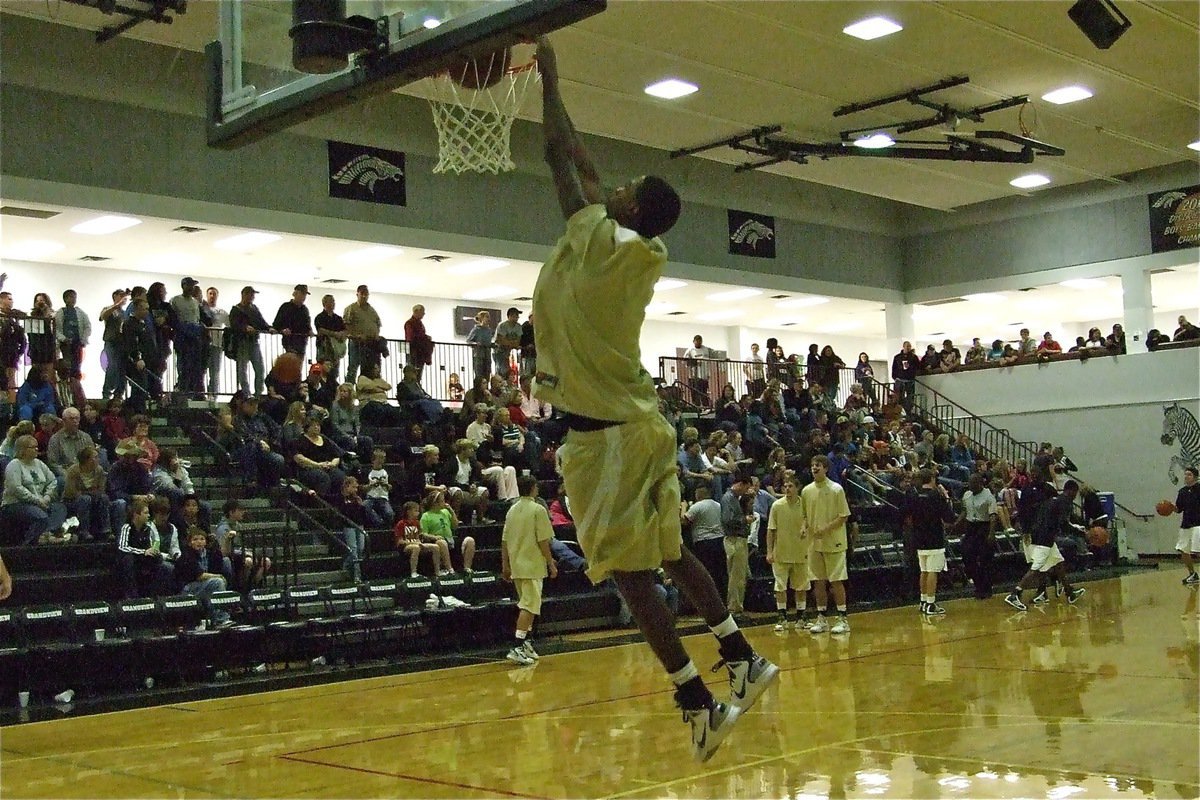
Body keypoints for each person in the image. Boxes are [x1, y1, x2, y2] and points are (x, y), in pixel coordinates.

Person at [529, 37, 776, 763]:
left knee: (631, 577)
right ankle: (742, 657)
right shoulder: (640, 245)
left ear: (629, 205)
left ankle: (697, 704)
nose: (613, 186)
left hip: (603, 437)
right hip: (643, 425)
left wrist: (547, 82)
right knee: (670, 553)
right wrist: (558, 83)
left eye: (625, 186)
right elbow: (586, 168)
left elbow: (559, 162)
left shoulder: (596, 239)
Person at [501, 475, 558, 666]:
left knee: (529, 605)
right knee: (529, 606)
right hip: (532, 565)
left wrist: (505, 565)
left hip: (517, 565)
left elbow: (504, 541)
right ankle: (517, 645)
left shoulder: (512, 510)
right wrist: (551, 562)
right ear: (534, 488)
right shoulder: (538, 509)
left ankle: (525, 642)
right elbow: (543, 540)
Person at [1004, 480, 1087, 611]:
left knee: (1059, 563)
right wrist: (1080, 532)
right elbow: (1064, 524)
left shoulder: (1053, 500)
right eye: (1075, 493)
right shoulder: (1065, 502)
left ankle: (1069, 592)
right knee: (1036, 568)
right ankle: (1015, 594)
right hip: (1045, 539)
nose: (1075, 496)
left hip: (1038, 534)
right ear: (1071, 491)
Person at [801, 455, 852, 634]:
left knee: (836, 580)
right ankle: (822, 617)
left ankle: (842, 618)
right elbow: (805, 516)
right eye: (813, 465)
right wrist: (803, 527)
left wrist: (826, 528)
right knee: (818, 582)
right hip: (814, 544)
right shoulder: (806, 491)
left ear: (826, 468)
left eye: (818, 465)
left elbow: (844, 516)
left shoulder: (836, 489)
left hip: (835, 542)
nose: (815, 468)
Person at [905, 469, 955, 615]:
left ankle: (923, 600)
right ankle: (931, 603)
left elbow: (907, 514)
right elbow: (949, 517)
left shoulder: (915, 495)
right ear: (932, 478)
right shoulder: (936, 496)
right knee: (933, 571)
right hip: (934, 537)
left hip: (919, 537)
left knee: (924, 570)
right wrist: (946, 497)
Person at [766, 475, 811, 631]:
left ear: (797, 488)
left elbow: (810, 523)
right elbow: (771, 530)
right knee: (780, 587)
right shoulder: (777, 506)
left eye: (790, 486)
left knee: (801, 587)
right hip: (781, 553)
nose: (787, 489)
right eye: (785, 486)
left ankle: (801, 617)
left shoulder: (805, 506)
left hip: (801, 552)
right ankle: (782, 617)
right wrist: (769, 551)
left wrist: (806, 529)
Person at [174, 528, 232, 627]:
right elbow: (199, 576)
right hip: (187, 589)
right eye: (195, 539)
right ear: (189, 542)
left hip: (205, 586)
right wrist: (219, 576)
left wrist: (226, 541)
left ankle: (215, 620)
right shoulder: (186, 555)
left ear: (205, 541)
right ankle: (220, 619)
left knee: (216, 586)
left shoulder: (210, 554)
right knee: (217, 582)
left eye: (202, 539)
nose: (199, 542)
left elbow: (224, 555)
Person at [117, 498, 174, 599]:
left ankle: (159, 596)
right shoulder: (127, 527)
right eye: (146, 513)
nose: (148, 515)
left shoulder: (147, 528)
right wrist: (143, 552)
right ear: (136, 514)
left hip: (143, 559)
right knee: (127, 560)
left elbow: (149, 546)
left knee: (166, 566)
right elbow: (123, 547)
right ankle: (131, 597)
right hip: (131, 559)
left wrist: (154, 552)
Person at [958, 473, 998, 599]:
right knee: (967, 556)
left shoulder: (989, 497)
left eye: (973, 484)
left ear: (980, 484)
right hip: (971, 527)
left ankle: (986, 588)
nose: (970, 486)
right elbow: (965, 511)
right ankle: (978, 584)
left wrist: (991, 534)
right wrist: (956, 522)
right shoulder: (967, 495)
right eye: (969, 483)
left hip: (984, 527)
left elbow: (993, 517)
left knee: (985, 560)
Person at [228, 286, 273, 396]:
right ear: (244, 295)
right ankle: (246, 393)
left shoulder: (254, 309)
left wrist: (269, 328)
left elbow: (261, 322)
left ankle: (258, 393)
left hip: (254, 341)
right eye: (251, 295)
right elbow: (234, 324)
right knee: (242, 369)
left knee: (260, 369)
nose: (252, 297)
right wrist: (245, 328)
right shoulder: (236, 309)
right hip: (242, 342)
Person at [394, 500, 448, 578]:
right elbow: (400, 541)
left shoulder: (417, 523)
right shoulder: (401, 524)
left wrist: (433, 538)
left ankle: (437, 571)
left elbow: (420, 536)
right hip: (406, 547)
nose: (418, 513)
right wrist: (414, 543)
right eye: (416, 511)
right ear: (408, 512)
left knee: (435, 547)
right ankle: (414, 573)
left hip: (418, 544)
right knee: (416, 548)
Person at [343, 285, 382, 385]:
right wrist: (356, 335)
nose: (364, 296)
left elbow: (377, 323)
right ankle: (349, 390)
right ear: (357, 294)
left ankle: (365, 391)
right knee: (353, 368)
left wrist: (376, 334)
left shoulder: (372, 310)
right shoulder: (351, 308)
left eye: (366, 294)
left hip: (370, 343)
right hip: (356, 343)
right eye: (362, 294)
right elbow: (346, 325)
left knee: (368, 369)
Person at [53, 289, 92, 379]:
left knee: (77, 365)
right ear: (65, 299)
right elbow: (57, 329)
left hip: (77, 343)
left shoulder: (81, 313)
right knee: (67, 365)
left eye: (74, 297)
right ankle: (67, 383)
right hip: (65, 344)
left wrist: (84, 339)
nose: (73, 299)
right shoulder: (60, 312)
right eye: (70, 297)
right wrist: (64, 339)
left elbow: (87, 326)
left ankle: (76, 384)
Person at [1171, 466, 1200, 585]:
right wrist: (1171, 508)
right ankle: (1192, 574)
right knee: (1183, 550)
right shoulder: (1182, 492)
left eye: (1189, 475)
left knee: (1197, 551)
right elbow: (1179, 509)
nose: (1186, 477)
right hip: (1186, 524)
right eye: (1185, 474)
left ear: (1195, 477)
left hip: (1198, 524)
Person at [202, 286, 229, 398]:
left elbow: (229, 326)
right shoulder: (201, 309)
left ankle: (213, 395)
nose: (212, 296)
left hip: (217, 344)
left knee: (215, 372)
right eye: (210, 293)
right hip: (204, 344)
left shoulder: (222, 312)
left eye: (214, 294)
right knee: (202, 371)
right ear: (207, 295)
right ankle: (201, 394)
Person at [314, 294, 348, 382]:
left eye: (333, 301)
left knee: (334, 372)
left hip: (335, 350)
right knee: (322, 370)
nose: (332, 304)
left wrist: (341, 334)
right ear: (324, 303)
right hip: (324, 347)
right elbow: (321, 330)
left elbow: (345, 330)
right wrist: (335, 334)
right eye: (330, 301)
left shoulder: (338, 318)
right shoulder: (319, 317)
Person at [403, 304, 434, 383]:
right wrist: (425, 338)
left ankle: (417, 386)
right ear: (416, 311)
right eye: (422, 312)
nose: (424, 314)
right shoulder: (410, 323)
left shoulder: (418, 323)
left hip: (419, 352)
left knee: (418, 373)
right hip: (415, 351)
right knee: (414, 371)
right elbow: (411, 337)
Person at [466, 310, 495, 382]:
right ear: (481, 318)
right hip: (479, 356)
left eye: (489, 317)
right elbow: (468, 341)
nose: (489, 319)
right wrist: (476, 344)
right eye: (487, 317)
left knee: (487, 375)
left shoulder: (489, 330)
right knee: (479, 376)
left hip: (487, 355)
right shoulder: (476, 329)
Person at [495, 307, 523, 378]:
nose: (516, 318)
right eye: (514, 316)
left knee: (507, 370)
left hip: (508, 351)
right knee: (502, 370)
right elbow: (501, 340)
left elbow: (518, 341)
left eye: (517, 316)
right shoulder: (502, 326)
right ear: (509, 316)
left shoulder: (518, 326)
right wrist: (512, 343)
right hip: (499, 351)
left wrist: (509, 343)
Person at [891, 341, 917, 411]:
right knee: (899, 397)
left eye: (909, 346)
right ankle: (900, 410)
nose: (908, 348)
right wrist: (895, 377)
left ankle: (908, 410)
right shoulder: (897, 357)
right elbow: (894, 368)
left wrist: (911, 368)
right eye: (907, 346)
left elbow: (917, 367)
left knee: (910, 397)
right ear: (903, 346)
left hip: (910, 379)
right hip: (900, 379)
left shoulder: (914, 357)